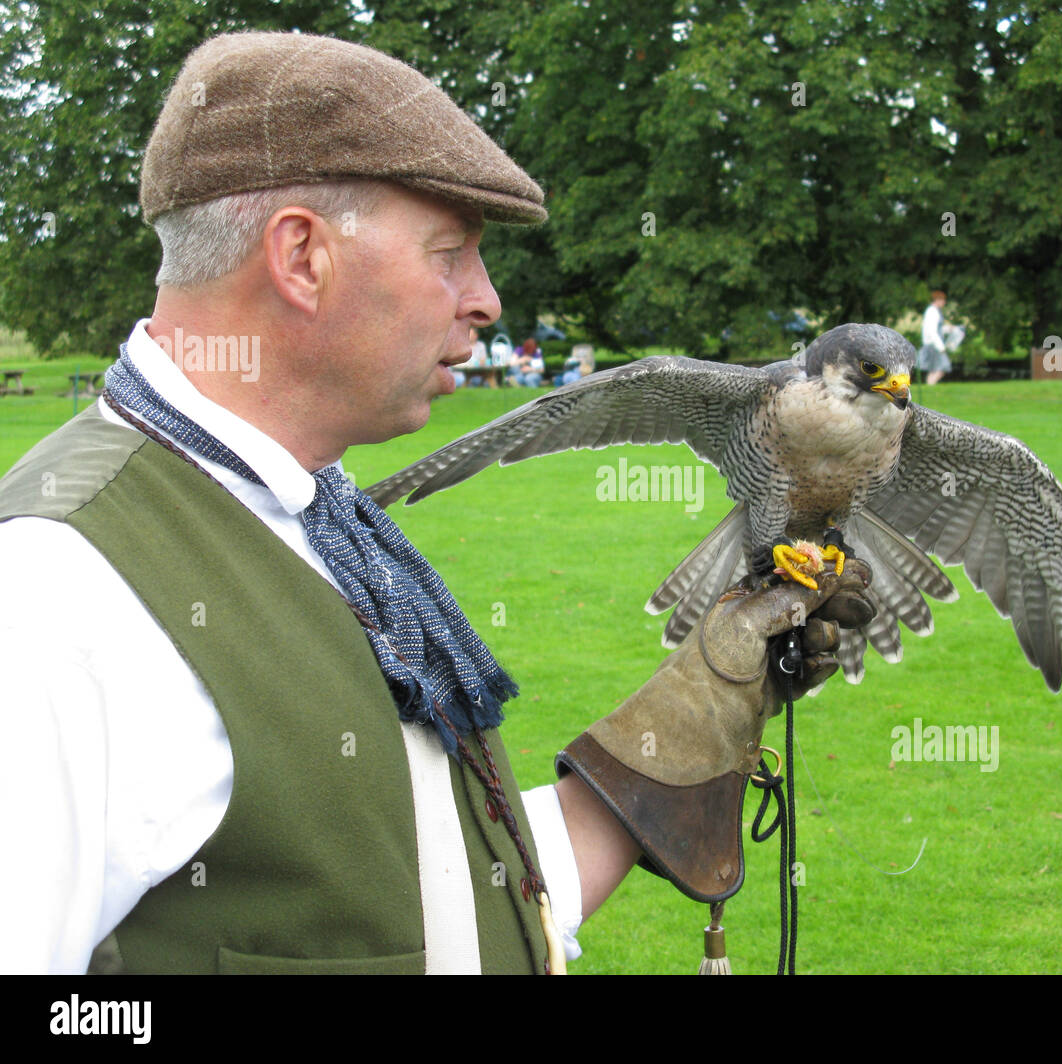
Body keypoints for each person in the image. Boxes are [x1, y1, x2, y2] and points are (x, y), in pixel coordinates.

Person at [0, 31, 868, 975]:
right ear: (301, 256)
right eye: (450, 252)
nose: (487, 300)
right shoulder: (54, 597)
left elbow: (442, 902)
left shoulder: (320, 516)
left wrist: (703, 710)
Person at [918, 289, 951, 385]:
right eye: (942, 300)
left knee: (934, 370)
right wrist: (941, 347)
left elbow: (938, 329)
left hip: (932, 344)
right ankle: (931, 385)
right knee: (943, 367)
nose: (944, 302)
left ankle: (930, 387)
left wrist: (948, 329)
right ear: (937, 300)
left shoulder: (934, 311)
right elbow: (932, 332)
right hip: (934, 345)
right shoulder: (932, 312)